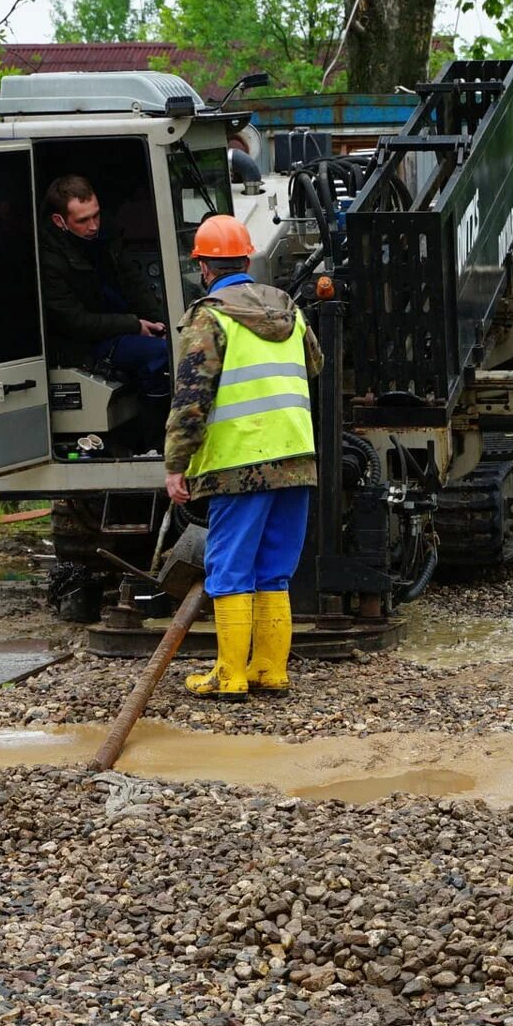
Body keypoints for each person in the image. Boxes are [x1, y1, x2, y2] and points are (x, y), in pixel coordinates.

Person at [164, 213, 325, 697]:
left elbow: (191, 397)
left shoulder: (210, 317)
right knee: (274, 568)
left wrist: (176, 464)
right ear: (246, 260)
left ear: (205, 268)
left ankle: (229, 675)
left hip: (240, 464)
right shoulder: (290, 312)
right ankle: (270, 669)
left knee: (230, 566)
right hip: (296, 456)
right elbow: (315, 364)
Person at [39, 174, 170, 394]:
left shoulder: (108, 237)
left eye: (96, 216)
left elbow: (134, 284)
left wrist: (161, 323)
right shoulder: (49, 260)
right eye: (82, 221)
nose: (93, 226)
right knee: (163, 353)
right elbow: (75, 322)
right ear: (58, 221)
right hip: (85, 344)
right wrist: (133, 325)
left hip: (122, 326)